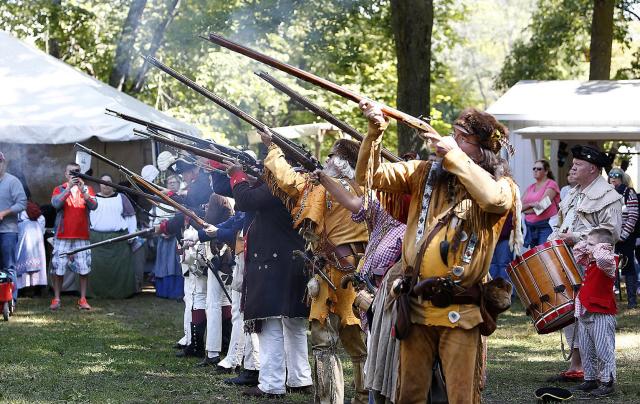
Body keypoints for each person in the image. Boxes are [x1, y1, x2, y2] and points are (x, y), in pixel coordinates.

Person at [358, 103, 520, 403]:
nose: (451, 140)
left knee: (461, 397)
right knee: (409, 395)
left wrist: (454, 155)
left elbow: (492, 200)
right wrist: (375, 131)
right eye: (453, 135)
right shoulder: (424, 173)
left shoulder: (503, 186)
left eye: (462, 138)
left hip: (461, 311)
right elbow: (372, 177)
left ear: (482, 150)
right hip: (416, 306)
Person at [260, 132, 369, 404]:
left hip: (346, 273)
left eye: (332, 155)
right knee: (328, 341)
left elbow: (286, 179)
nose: (327, 159)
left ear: (343, 161)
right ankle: (341, 398)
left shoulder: (326, 187)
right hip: (332, 271)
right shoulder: (360, 187)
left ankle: (360, 397)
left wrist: (272, 146)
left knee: (350, 338)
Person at [309, 168, 406, 404]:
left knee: (384, 353)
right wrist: (323, 178)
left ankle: (360, 398)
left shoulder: (409, 217)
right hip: (366, 283)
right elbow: (354, 203)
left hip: (392, 293)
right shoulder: (381, 206)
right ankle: (364, 398)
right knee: (369, 347)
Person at [222, 161, 311, 399]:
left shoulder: (282, 181)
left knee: (270, 324)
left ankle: (271, 383)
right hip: (293, 260)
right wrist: (251, 180)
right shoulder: (299, 181)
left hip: (273, 264)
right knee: (294, 324)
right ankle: (299, 379)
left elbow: (246, 201)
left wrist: (237, 175)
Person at [548, 145, 623, 382]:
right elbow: (562, 222)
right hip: (566, 259)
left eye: (578, 165)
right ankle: (578, 365)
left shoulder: (609, 196)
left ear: (592, 169)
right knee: (571, 313)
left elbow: (612, 233)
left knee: (594, 319)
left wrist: (576, 238)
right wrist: (556, 237)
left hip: (592, 265)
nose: (573, 168)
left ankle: (603, 375)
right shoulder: (572, 193)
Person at [571, 228, 618, 397]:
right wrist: (589, 243)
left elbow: (603, 257)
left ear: (604, 247)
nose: (587, 247)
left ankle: (607, 382)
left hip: (601, 314)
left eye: (591, 244)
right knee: (586, 349)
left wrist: (600, 246)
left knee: (604, 350)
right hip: (585, 312)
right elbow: (577, 251)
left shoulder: (609, 260)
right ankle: (590, 379)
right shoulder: (591, 260)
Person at [50, 163, 98, 310]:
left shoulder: (87, 188)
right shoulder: (59, 189)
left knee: (84, 268)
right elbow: (56, 204)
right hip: (63, 235)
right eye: (71, 172)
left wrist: (83, 190)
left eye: (77, 172)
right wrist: (69, 188)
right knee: (59, 267)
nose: (74, 175)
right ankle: (57, 298)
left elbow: (94, 205)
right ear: (66, 174)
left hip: (82, 235)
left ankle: (82, 299)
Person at [87, 174, 138, 299]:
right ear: (99, 184)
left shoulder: (122, 198)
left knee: (121, 268)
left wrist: (132, 234)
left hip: (119, 239)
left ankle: (122, 292)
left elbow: (130, 216)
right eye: (103, 182)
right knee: (96, 269)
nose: (106, 185)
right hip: (96, 239)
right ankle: (95, 294)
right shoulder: (92, 198)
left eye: (109, 182)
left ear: (113, 184)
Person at [608, 167, 638, 308]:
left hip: (626, 236)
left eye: (616, 175)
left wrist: (624, 235)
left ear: (622, 177)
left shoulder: (628, 192)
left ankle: (632, 300)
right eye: (610, 175)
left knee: (628, 265)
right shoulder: (607, 193)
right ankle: (611, 298)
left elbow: (633, 216)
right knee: (610, 266)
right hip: (610, 236)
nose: (613, 178)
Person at [0, 151, 27, 304]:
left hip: (8, 230)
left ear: (3, 163)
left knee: (8, 266)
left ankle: (11, 300)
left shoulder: (13, 181)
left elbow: (22, 203)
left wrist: (4, 212)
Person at [152, 174, 184, 300]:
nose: (172, 184)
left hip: (177, 237)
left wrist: (171, 230)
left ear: (179, 183)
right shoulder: (159, 200)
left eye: (174, 182)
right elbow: (154, 219)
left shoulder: (182, 198)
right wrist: (160, 229)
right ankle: (163, 291)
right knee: (163, 264)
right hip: (162, 237)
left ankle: (176, 292)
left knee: (176, 264)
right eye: (169, 182)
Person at [521, 159, 560, 248]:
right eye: (534, 168)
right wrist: (531, 205)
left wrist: (525, 209)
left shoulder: (551, 184)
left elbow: (541, 207)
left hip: (545, 226)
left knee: (545, 255)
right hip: (530, 227)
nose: (535, 170)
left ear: (546, 171)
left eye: (539, 169)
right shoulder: (531, 187)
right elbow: (518, 207)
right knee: (534, 257)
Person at [15, 201, 47, 292]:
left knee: (24, 258)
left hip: (23, 232)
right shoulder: (33, 206)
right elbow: (42, 219)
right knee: (37, 259)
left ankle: (25, 288)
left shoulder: (17, 206)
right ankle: (36, 287)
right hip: (36, 232)